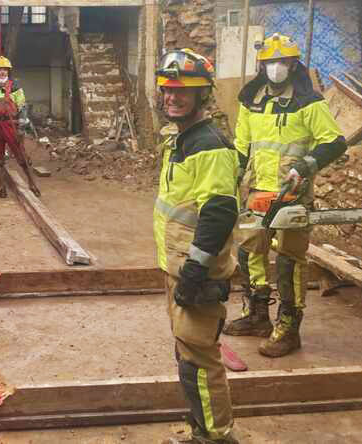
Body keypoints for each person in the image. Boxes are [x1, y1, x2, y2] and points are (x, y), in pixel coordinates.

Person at [223, 33, 346, 358]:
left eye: (282, 61)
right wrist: (231, 177)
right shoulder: (251, 100)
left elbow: (334, 142)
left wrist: (306, 166)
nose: (276, 67)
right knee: (251, 253)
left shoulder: (309, 101)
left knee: (289, 261)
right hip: (258, 191)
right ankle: (258, 315)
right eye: (270, 62)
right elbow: (242, 146)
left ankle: (289, 328)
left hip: (292, 194)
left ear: (293, 64)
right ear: (261, 65)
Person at [154, 49, 240, 444]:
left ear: (203, 94)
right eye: (168, 89)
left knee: (200, 362)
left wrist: (194, 270)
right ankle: (203, 431)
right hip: (179, 269)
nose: (173, 96)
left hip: (196, 272)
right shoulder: (182, 140)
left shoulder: (209, 144)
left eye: (184, 90)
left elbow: (218, 214)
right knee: (189, 358)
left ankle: (217, 438)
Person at [0, 56, 40, 198]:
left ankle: (32, 183)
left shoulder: (15, 86)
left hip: (10, 124)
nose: (1, 72)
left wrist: (22, 123)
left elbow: (22, 105)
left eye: (4, 69)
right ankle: (2, 187)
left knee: (20, 154)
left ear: (8, 71)